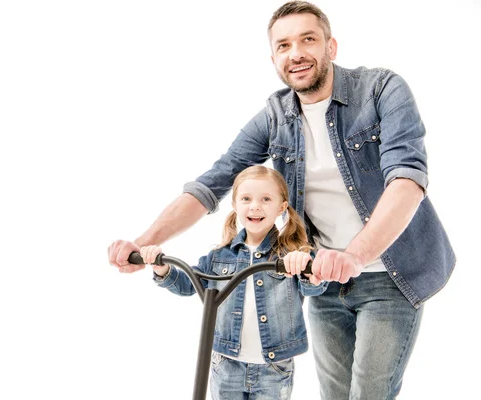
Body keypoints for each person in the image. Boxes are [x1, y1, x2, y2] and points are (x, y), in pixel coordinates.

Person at [108, 1, 455, 399]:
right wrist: (145, 241)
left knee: (370, 392)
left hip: (391, 274)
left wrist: (353, 256)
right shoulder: (275, 116)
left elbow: (407, 178)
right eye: (284, 45)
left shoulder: (381, 89)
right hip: (319, 277)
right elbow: (214, 182)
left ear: (331, 46)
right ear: (273, 57)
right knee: (336, 393)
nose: (297, 54)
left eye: (308, 39)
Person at [140, 165, 327, 400]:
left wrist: (307, 268)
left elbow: (313, 285)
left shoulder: (289, 256)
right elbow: (189, 284)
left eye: (266, 199)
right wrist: (162, 268)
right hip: (226, 365)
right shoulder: (219, 256)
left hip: (273, 367)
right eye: (246, 198)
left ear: (281, 207)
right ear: (235, 205)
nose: (255, 206)